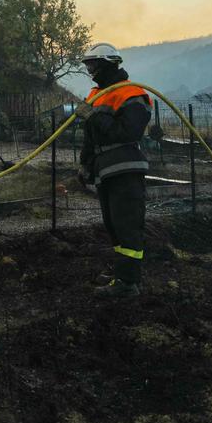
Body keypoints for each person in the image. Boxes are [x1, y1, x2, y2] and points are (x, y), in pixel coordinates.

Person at [73, 42, 153, 298]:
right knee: (113, 225)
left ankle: (128, 283)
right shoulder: (96, 95)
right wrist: (84, 164)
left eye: (93, 65)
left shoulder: (132, 94)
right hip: (105, 169)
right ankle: (122, 274)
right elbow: (91, 137)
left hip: (126, 169)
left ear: (109, 64)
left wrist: (94, 115)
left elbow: (128, 132)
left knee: (127, 225)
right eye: (88, 66)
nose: (90, 71)